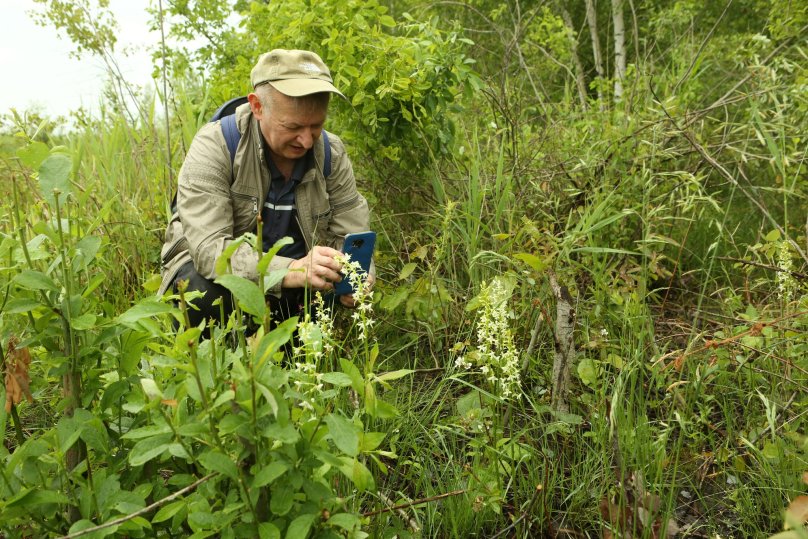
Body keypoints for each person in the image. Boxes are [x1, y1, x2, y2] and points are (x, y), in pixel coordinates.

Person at [157, 49, 373, 329]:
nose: (307, 141)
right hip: (226, 281)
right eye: (293, 126)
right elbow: (210, 252)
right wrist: (292, 270)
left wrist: (358, 275)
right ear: (257, 106)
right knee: (203, 293)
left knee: (323, 299)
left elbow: (351, 234)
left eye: (316, 126)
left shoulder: (331, 153)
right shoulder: (215, 147)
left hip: (297, 281)